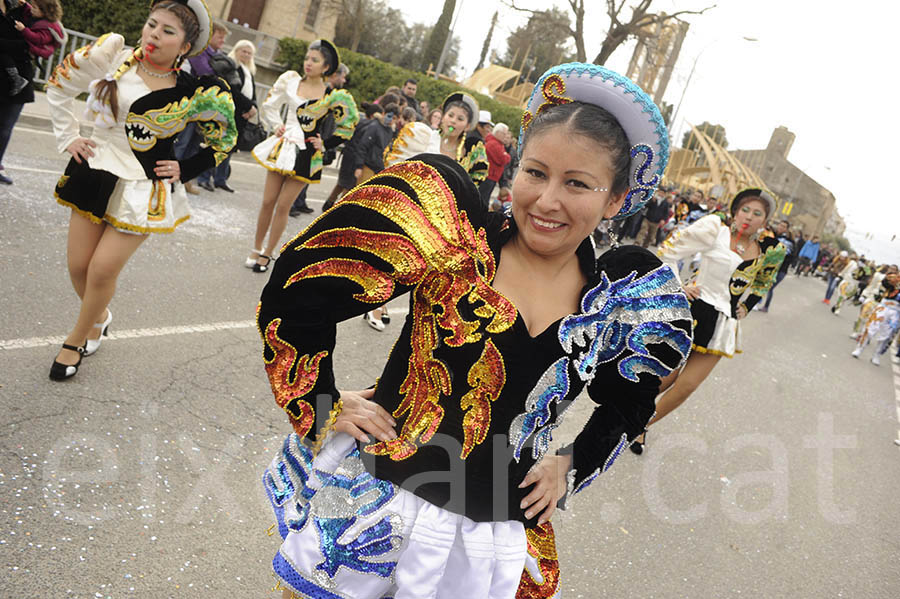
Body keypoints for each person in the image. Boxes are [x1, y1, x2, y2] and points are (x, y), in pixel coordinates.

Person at [257, 62, 691, 599]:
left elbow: (630, 402)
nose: (546, 201)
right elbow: (301, 291)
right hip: (375, 504)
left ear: (616, 200)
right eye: (535, 173)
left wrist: (572, 465)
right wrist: (321, 400)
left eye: (577, 184)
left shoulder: (616, 303)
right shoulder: (455, 241)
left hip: (485, 539)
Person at [45, 0, 236, 380]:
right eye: (152, 25)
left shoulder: (193, 90)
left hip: (143, 189)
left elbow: (225, 137)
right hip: (93, 170)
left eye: (168, 32)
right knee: (78, 267)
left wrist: (187, 167)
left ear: (185, 46)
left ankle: (75, 340)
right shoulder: (111, 56)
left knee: (101, 269)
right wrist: (69, 137)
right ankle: (99, 317)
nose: (154, 35)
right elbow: (58, 87)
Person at [631, 189, 785, 454]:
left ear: (765, 221)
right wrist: (679, 285)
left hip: (723, 323)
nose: (749, 217)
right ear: (736, 211)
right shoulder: (716, 229)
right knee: (666, 376)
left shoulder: (768, 251)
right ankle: (625, 415)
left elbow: (763, 282)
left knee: (687, 386)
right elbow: (669, 250)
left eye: (757, 213)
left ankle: (641, 426)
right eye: (745, 209)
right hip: (693, 310)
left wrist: (747, 306)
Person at [246, 39, 358, 273]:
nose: (308, 63)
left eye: (315, 60)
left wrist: (325, 144)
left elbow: (347, 125)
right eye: (308, 58)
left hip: (306, 154)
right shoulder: (290, 80)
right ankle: (256, 248)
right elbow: (270, 106)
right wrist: (276, 125)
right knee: (268, 201)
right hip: (283, 145)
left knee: (284, 205)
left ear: (325, 67)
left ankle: (268, 253)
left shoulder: (331, 94)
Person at [290, 62, 353, 216]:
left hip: (322, 139)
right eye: (343, 77)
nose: (344, 81)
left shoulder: (333, 95)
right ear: (334, 75)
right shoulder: (322, 92)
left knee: (310, 171)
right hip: (312, 138)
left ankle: (300, 201)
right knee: (301, 170)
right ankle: (291, 203)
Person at [172, 21, 227, 194]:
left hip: (205, 108)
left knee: (194, 146)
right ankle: (169, 181)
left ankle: (185, 180)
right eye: (220, 36)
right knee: (182, 143)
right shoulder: (199, 52)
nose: (222, 41)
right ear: (210, 35)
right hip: (191, 106)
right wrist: (219, 73)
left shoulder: (217, 55)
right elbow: (207, 73)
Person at [197, 38, 258, 193]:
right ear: (236, 51)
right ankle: (204, 177)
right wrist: (248, 106)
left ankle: (220, 179)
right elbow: (232, 90)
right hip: (230, 111)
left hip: (241, 115)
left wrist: (253, 107)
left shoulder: (249, 71)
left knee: (229, 148)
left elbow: (253, 94)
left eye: (249, 53)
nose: (246, 54)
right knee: (216, 146)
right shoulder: (232, 66)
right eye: (243, 51)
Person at [0, 0, 37, 185]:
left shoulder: (22, 10)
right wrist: (21, 46)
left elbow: (38, 37)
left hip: (19, 78)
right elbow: (25, 44)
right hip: (6, 70)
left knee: (6, 127)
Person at [5, 0, 65, 88]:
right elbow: (30, 10)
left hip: (30, 49)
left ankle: (16, 78)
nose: (32, 9)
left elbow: (38, 38)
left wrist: (24, 30)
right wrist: (25, 5)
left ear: (45, 11)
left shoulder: (47, 27)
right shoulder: (38, 17)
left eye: (34, 8)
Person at [438, 91, 487, 183]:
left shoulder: (471, 153)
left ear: (467, 126)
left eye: (460, 119)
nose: (453, 121)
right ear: (443, 117)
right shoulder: (427, 139)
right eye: (450, 115)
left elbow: (474, 183)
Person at [761, 219, 795, 312]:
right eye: (780, 225)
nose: (781, 227)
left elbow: (785, 255)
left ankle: (765, 306)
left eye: (783, 226)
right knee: (763, 284)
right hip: (769, 266)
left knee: (769, 287)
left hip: (781, 270)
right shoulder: (773, 235)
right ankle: (758, 303)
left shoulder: (789, 242)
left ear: (787, 229)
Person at [479, 121, 511, 208]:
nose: (506, 136)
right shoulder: (494, 144)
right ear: (498, 133)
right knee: (483, 199)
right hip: (489, 176)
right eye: (504, 133)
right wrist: (506, 155)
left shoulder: (498, 144)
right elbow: (502, 160)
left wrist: (505, 155)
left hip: (492, 176)